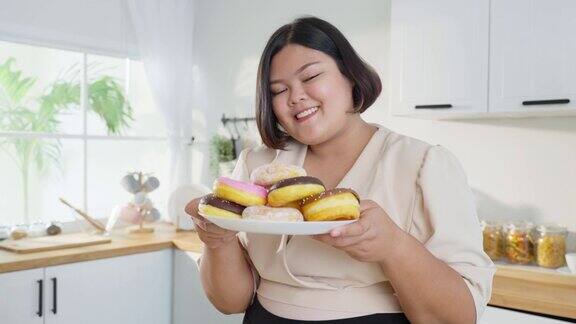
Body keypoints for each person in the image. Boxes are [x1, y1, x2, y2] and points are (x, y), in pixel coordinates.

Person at [186, 16, 495, 324]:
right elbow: (230, 302)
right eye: (279, 90)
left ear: (350, 76)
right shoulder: (257, 166)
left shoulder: (422, 165)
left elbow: (459, 317)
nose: (295, 97)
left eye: (310, 77)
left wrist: (395, 246)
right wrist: (217, 240)